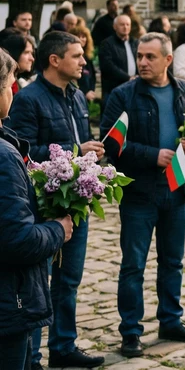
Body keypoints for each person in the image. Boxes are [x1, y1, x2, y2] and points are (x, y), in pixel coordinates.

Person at [100, 32, 185, 358]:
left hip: (177, 188)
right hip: (140, 193)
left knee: (172, 261)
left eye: (150, 57)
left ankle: (170, 320)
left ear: (167, 60)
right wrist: (151, 155)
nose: (142, 62)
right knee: (133, 265)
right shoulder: (123, 95)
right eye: (140, 56)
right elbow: (110, 146)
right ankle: (130, 331)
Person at [7, 32, 105, 369]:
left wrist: (88, 157)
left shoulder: (77, 95)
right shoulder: (29, 99)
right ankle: (31, 356)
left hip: (76, 203)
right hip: (42, 208)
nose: (83, 61)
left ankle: (64, 345)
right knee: (37, 286)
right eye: (77, 56)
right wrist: (76, 151)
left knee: (69, 280)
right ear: (54, 60)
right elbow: (23, 152)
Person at [0, 49, 70, 370]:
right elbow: (18, 240)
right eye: (9, 84)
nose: (14, 90)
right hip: (8, 303)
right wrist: (58, 229)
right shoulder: (3, 155)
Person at [99, 14, 137, 103]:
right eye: (122, 24)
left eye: (128, 24)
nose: (125, 27)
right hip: (114, 89)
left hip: (133, 86)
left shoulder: (135, 42)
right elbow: (108, 66)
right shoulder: (107, 44)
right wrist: (127, 77)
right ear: (115, 26)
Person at [67, 22, 98, 103]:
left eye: (83, 36)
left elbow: (92, 77)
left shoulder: (88, 57)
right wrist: (84, 92)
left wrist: (91, 90)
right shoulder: (70, 57)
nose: (81, 39)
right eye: (78, 36)